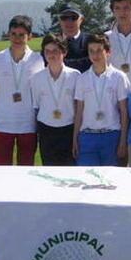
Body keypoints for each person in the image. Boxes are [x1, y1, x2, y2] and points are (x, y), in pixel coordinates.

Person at [0, 15, 44, 165]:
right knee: (1, 169)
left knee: (26, 169)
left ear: (30, 37)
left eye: (21, 35)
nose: (17, 39)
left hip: (28, 124)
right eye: (13, 34)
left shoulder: (38, 60)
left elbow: (41, 92)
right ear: (8, 34)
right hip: (3, 123)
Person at [72, 34, 131, 166]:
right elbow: (79, 111)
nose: (95, 55)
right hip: (87, 136)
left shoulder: (119, 77)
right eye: (91, 51)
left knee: (109, 181)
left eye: (99, 50)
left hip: (111, 136)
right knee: (87, 178)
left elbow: (124, 112)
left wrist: (123, 141)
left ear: (108, 52)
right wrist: (75, 138)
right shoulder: (82, 79)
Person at [31, 34, 81, 166]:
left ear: (64, 52)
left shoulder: (75, 76)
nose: (51, 55)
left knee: (69, 171)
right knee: (49, 171)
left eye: (55, 51)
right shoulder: (37, 78)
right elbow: (36, 107)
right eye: (47, 51)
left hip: (68, 130)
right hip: (46, 130)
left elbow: (78, 108)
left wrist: (76, 136)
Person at [58, 3, 92, 72]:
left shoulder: (90, 41)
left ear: (81, 19)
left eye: (74, 17)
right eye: (64, 18)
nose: (69, 21)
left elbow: (94, 62)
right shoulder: (52, 42)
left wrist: (59, 62)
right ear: (59, 20)